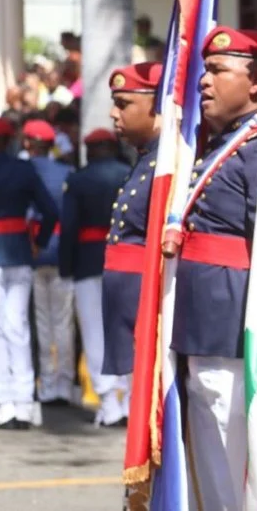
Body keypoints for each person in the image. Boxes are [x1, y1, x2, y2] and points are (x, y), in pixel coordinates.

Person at [170, 26, 257, 510]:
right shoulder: (219, 144)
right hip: (202, 326)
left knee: (231, 467)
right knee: (209, 467)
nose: (204, 83)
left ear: (256, 81)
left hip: (230, 329)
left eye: (216, 71)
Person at [0, 117, 58, 429]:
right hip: (20, 252)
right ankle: (25, 404)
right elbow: (50, 211)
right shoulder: (25, 169)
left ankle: (4, 404)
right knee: (18, 327)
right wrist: (38, 242)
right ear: (11, 139)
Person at [59, 128, 131, 426]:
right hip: (124, 259)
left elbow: (70, 227)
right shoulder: (129, 173)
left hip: (88, 261)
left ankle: (107, 401)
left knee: (94, 331)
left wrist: (66, 266)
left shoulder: (78, 180)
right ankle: (127, 399)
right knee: (125, 330)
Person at [101, 63, 163, 393]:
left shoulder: (165, 164)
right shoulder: (144, 160)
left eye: (124, 104)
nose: (113, 113)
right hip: (127, 296)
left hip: (144, 298)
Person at [22, 119, 75, 406]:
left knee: (42, 323)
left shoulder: (22, 171)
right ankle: (64, 385)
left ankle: (48, 382)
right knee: (63, 322)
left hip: (32, 250)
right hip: (62, 252)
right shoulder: (66, 171)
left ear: (28, 143)